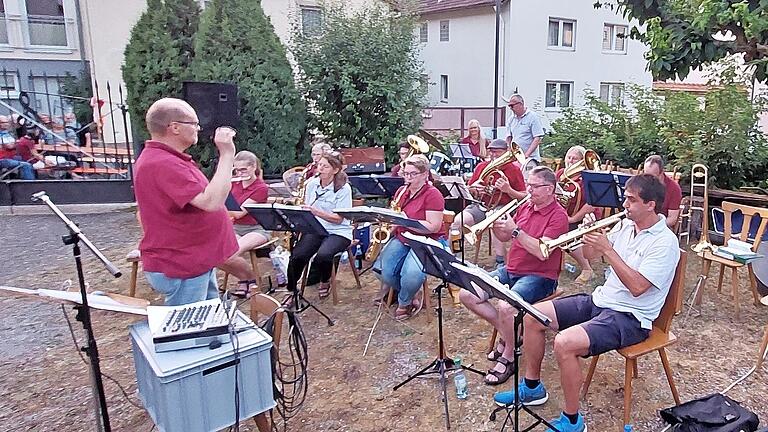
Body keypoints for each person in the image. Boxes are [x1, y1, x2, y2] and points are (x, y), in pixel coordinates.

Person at [493, 174, 679, 432]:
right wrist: (592, 235)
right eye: (625, 198)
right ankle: (533, 388)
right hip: (602, 299)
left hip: (631, 316)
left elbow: (637, 288)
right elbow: (591, 255)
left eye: (632, 200)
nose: (624, 205)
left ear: (651, 205)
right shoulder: (626, 225)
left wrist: (608, 250)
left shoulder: (665, 242)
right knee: (532, 315)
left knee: (564, 343)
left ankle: (572, 421)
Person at [133, 97, 257, 305]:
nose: (198, 129)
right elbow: (211, 202)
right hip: (183, 264)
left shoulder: (168, 159)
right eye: (194, 124)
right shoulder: (162, 163)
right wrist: (227, 153)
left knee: (207, 325)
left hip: (197, 260)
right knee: (188, 332)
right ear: (174, 127)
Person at [459, 165, 568, 385]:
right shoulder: (526, 206)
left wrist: (516, 230)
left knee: (506, 307)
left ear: (550, 189)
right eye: (528, 185)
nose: (529, 190)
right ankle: (510, 334)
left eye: (535, 186)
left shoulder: (559, 217)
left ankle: (508, 355)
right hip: (512, 270)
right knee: (466, 293)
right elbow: (507, 237)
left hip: (540, 276)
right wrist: (495, 226)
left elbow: (541, 252)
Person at [379, 154, 447, 320]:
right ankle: (411, 293)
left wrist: (405, 221)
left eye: (412, 174)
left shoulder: (433, 194)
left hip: (426, 240)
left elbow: (433, 226)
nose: (407, 178)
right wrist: (388, 225)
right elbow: (396, 216)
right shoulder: (402, 192)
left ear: (424, 174)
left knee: (411, 275)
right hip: (403, 236)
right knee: (382, 270)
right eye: (405, 173)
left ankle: (405, 301)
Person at [286, 150, 353, 299]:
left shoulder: (344, 189)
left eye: (325, 167)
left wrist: (316, 212)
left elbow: (339, 219)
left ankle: (325, 280)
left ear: (335, 170)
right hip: (316, 228)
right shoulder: (312, 184)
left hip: (339, 231)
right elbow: (308, 208)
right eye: (319, 165)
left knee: (323, 255)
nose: (320, 169)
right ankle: (291, 290)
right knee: (297, 256)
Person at [452, 138, 526, 268]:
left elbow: (524, 196)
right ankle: (454, 256)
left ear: (506, 152)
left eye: (497, 152)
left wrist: (508, 190)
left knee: (495, 221)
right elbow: (469, 190)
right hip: (481, 205)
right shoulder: (482, 166)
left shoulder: (514, 170)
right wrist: (475, 189)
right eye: (490, 151)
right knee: (458, 221)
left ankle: (500, 261)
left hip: (503, 207)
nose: (493, 155)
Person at [228, 150, 271, 296]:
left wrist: (222, 197)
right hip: (235, 227)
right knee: (217, 253)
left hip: (256, 228)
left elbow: (239, 212)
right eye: (237, 170)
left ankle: (251, 279)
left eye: (243, 169)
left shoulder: (261, 188)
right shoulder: (234, 184)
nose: (240, 174)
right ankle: (244, 278)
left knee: (232, 251)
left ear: (253, 167)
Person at [555, 145, 598, 284]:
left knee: (565, 233)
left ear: (582, 161)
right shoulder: (561, 173)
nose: (570, 160)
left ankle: (587, 269)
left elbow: (592, 204)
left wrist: (573, 218)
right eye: (569, 157)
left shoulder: (588, 177)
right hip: (564, 215)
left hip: (584, 217)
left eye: (575, 158)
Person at [643, 154, 682, 229]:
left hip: (661, 227)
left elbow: (672, 219)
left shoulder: (674, 188)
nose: (648, 179)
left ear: (661, 172)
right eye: (646, 175)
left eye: (652, 176)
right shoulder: (642, 183)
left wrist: (653, 227)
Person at [505, 94, 545, 161]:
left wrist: (527, 155)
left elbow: (537, 138)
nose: (511, 108)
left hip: (530, 158)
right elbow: (509, 138)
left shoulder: (533, 117)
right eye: (509, 106)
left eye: (512, 106)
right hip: (515, 158)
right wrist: (509, 152)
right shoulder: (511, 119)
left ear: (520, 104)